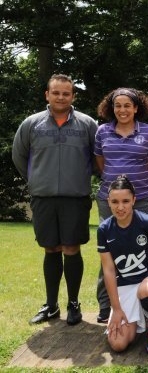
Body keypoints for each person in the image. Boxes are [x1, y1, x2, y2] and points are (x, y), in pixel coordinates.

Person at [12, 74, 97, 326]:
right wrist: (38, 179)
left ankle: (73, 304)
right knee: (50, 248)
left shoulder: (87, 124)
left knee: (71, 248)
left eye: (66, 93)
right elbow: (20, 157)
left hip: (75, 197)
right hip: (43, 197)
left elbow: (97, 158)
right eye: (56, 92)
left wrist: (79, 176)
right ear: (47, 95)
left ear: (73, 96)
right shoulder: (31, 124)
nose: (61, 97)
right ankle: (51, 305)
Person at [94, 87, 148, 323]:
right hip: (108, 200)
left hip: (142, 198)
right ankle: (105, 306)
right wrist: (117, 191)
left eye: (127, 105)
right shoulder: (102, 131)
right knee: (108, 252)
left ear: (136, 107)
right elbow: (101, 162)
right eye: (118, 106)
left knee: (147, 249)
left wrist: (138, 187)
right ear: (111, 108)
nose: (122, 110)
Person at [97, 176, 148, 353]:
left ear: (134, 200)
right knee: (118, 344)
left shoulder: (147, 222)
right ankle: (137, 317)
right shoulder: (104, 230)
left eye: (126, 201)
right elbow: (109, 271)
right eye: (115, 202)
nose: (120, 207)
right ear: (108, 202)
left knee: (147, 290)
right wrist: (116, 309)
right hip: (126, 287)